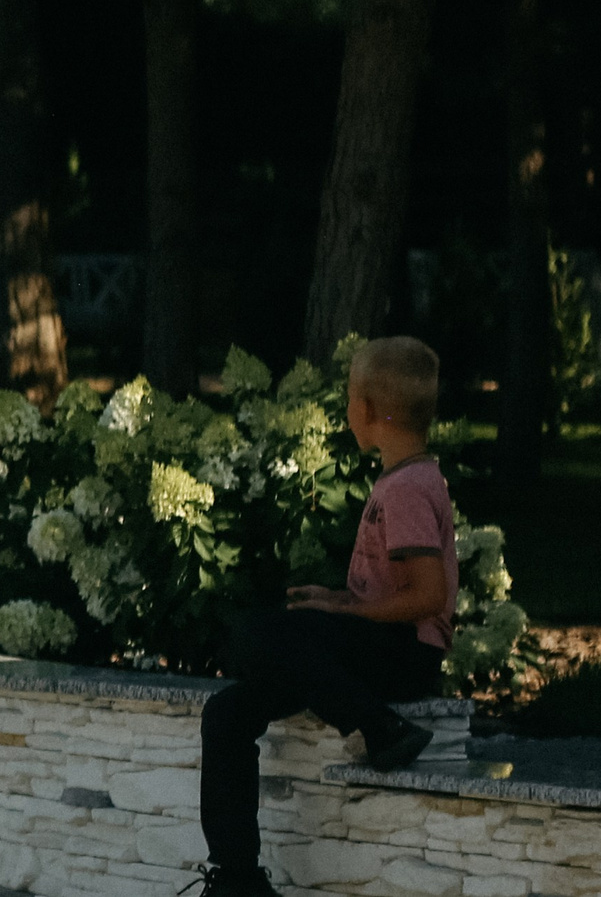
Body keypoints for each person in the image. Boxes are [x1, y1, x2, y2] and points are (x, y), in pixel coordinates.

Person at [194, 336, 456, 896]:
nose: (345, 408)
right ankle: (237, 879)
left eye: (348, 397)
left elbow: (429, 596)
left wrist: (349, 613)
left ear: (367, 410)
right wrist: (337, 603)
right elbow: (391, 592)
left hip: (403, 653)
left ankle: (378, 726)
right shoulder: (404, 478)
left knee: (253, 633)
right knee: (226, 713)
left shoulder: (408, 488)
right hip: (373, 647)